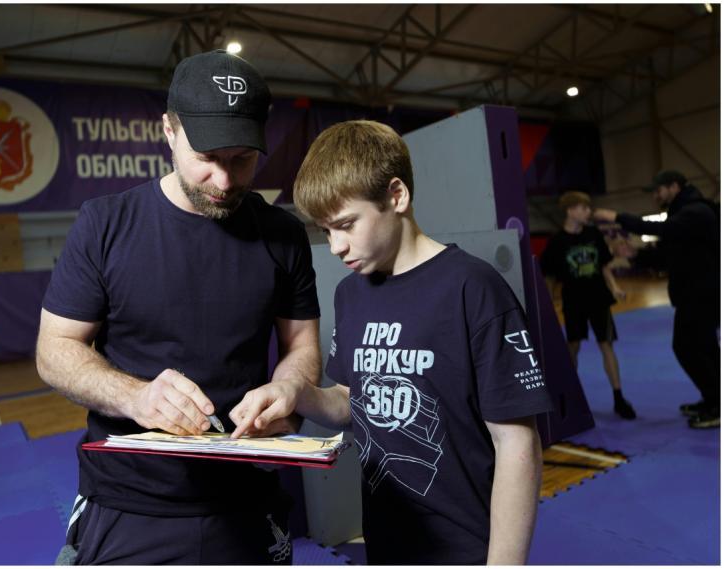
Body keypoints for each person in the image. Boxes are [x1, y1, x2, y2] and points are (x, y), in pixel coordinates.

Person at [35, 50, 322, 565]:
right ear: (168, 130)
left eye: (242, 159)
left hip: (247, 496)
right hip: (128, 501)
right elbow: (54, 351)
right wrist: (135, 397)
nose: (226, 180)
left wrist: (289, 386)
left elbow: (301, 344)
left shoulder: (282, 233)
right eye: (208, 158)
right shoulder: (104, 224)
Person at [231, 120, 554, 565]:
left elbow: (517, 443)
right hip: (385, 539)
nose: (337, 247)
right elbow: (351, 402)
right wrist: (295, 395)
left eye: (346, 224)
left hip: (464, 546)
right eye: (326, 231)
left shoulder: (472, 288)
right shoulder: (351, 293)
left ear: (396, 196)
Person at [593, 170, 720, 429]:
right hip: (694, 293)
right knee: (703, 349)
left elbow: (661, 229)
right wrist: (633, 255)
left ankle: (717, 404)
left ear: (674, 187)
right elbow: (666, 256)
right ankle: (713, 398)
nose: (655, 196)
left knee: (688, 348)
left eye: (658, 190)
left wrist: (617, 217)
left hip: (703, 293)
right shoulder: (682, 213)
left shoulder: (696, 212)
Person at [540, 191, 636, 420]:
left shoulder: (593, 234)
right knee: (573, 348)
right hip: (573, 302)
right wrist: (548, 302)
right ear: (570, 210)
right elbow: (550, 276)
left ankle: (618, 397)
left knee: (607, 345)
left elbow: (603, 266)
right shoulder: (557, 242)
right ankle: (571, 397)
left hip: (599, 299)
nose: (588, 212)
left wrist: (615, 288)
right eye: (583, 208)